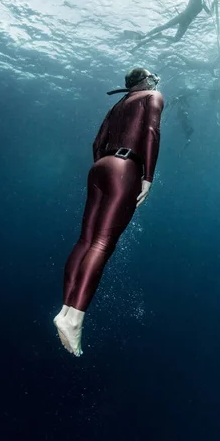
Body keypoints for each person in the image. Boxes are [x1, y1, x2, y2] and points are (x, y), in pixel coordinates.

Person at [53, 68, 164, 357]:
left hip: (100, 167)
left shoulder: (117, 106)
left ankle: (65, 309)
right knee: (103, 243)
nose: (156, 80)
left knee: (85, 241)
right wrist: (147, 176)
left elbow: (96, 143)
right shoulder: (153, 96)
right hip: (126, 167)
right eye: (153, 76)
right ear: (145, 81)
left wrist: (104, 169)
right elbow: (151, 132)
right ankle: (75, 317)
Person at [129, 0, 215, 52]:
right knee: (165, 26)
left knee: (176, 39)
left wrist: (213, 4)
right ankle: (144, 36)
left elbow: (210, 13)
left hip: (186, 22)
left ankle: (160, 36)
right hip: (182, 16)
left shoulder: (202, 5)